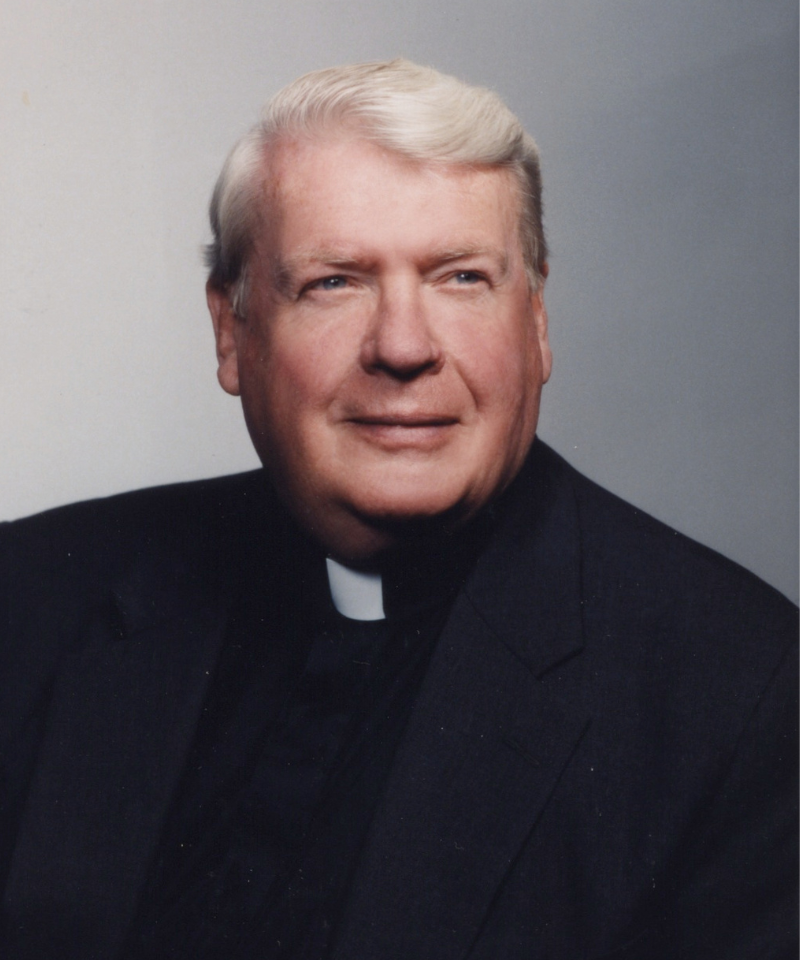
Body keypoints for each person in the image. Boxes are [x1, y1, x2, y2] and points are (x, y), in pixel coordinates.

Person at [0, 59, 796, 960]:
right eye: (335, 282)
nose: (404, 347)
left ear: (536, 323)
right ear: (232, 331)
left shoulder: (744, 695)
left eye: (460, 278)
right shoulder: (26, 596)